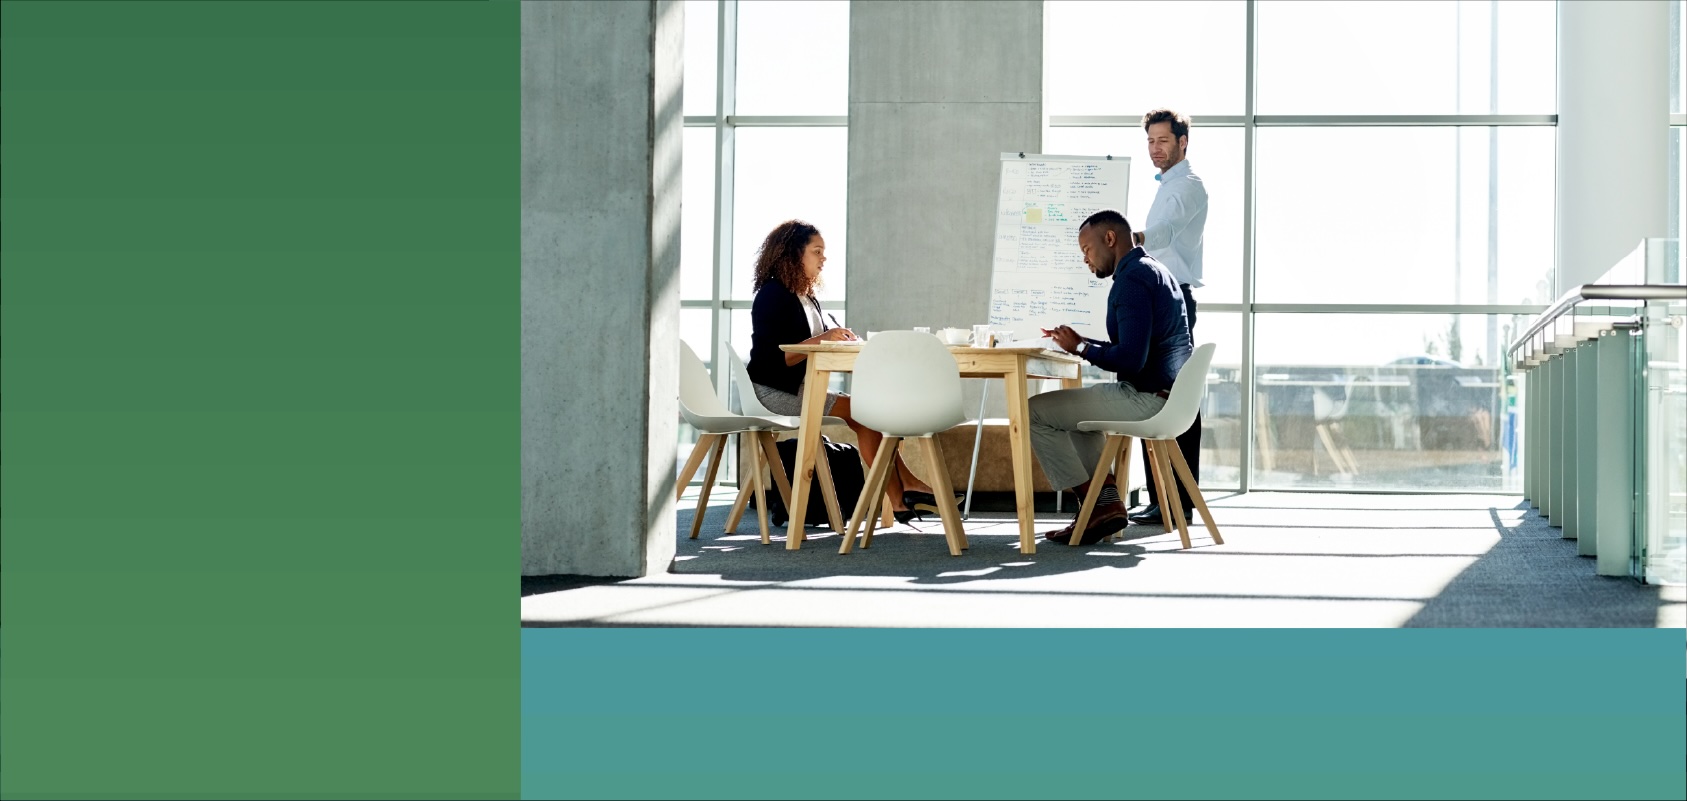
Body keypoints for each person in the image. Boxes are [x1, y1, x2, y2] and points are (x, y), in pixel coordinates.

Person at [745, 219, 939, 521]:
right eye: (817, 251)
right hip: (772, 391)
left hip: (800, 388)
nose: (824, 258)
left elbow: (817, 340)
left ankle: (903, 496)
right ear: (794, 254)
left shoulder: (806, 297)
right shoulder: (772, 294)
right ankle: (905, 491)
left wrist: (840, 336)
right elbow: (777, 359)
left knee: (868, 413)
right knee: (864, 413)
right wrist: (825, 337)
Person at [1031, 210, 1191, 545]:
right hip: (1168, 397)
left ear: (1109, 238)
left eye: (1087, 250)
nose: (1086, 260)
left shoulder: (1131, 281)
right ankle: (1103, 502)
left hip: (1146, 399)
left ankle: (1096, 503)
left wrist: (1082, 348)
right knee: (1076, 416)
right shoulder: (1155, 271)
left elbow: (1131, 359)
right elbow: (1135, 348)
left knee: (1034, 412)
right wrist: (1080, 344)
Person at [1128, 107, 1207, 526]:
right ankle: (1163, 497)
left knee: (1176, 398)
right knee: (1151, 396)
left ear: (1182, 142)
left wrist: (1135, 238)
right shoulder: (1167, 186)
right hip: (1160, 300)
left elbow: (1167, 230)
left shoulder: (1187, 187)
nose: (1155, 149)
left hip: (1173, 303)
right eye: (1150, 141)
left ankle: (1179, 501)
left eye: (1163, 140)